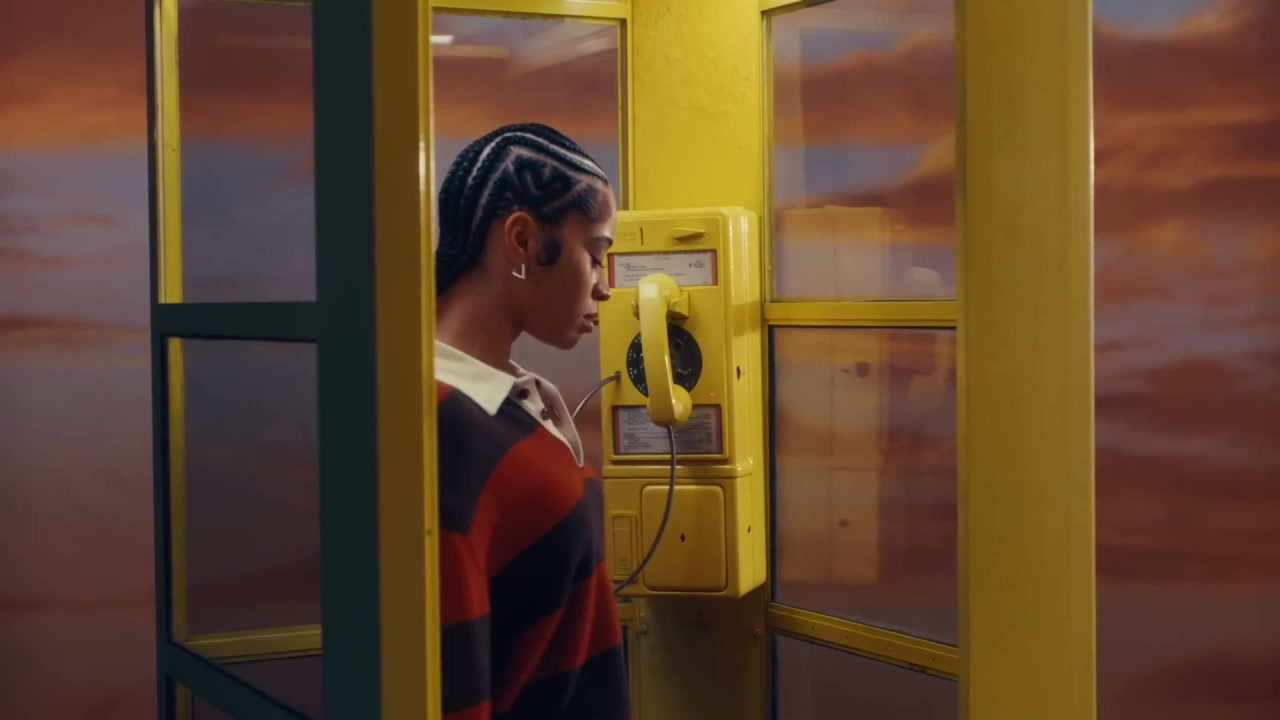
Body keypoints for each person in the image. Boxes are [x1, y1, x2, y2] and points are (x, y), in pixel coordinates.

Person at [432, 123, 629, 720]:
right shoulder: (446, 427)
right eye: (594, 255)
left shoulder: (510, 403)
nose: (606, 288)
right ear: (522, 240)